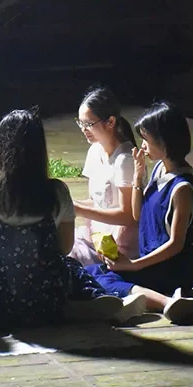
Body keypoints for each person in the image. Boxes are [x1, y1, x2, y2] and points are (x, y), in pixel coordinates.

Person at [0, 109, 143, 331]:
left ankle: (81, 307)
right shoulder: (57, 192)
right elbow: (65, 247)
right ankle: (85, 303)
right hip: (47, 299)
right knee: (72, 267)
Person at [86, 102, 193, 323]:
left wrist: (134, 265)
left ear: (165, 142)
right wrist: (138, 178)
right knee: (92, 273)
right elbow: (139, 215)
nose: (143, 146)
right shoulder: (159, 168)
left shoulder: (182, 188)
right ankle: (152, 298)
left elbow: (177, 244)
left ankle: (167, 302)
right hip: (149, 261)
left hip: (170, 268)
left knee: (104, 280)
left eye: (146, 140)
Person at [70, 87, 140, 265]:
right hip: (96, 233)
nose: (83, 129)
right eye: (80, 123)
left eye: (89, 124)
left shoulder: (125, 159)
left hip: (118, 242)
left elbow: (128, 216)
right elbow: (97, 201)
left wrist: (78, 210)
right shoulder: (94, 151)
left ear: (110, 122)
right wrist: (70, 205)